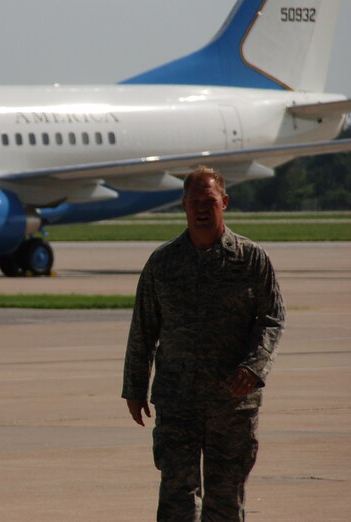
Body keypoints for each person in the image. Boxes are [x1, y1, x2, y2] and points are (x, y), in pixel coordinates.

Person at [122, 166, 285, 521]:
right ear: (183, 205)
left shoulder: (250, 259)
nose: (201, 208)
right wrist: (134, 387)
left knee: (225, 500)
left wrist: (254, 368)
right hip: (177, 401)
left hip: (232, 402)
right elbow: (144, 329)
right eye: (194, 201)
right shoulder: (163, 263)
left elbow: (272, 318)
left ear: (224, 202)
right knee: (177, 497)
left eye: (209, 201)